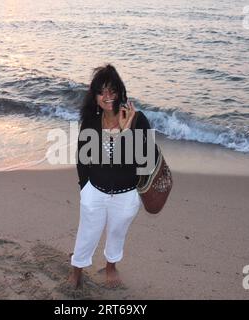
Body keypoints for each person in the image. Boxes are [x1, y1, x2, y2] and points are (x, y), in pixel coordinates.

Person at [69, 64, 158, 289]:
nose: (107, 96)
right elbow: (82, 157)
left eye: (112, 90)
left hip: (126, 194)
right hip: (95, 190)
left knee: (117, 232)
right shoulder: (90, 120)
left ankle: (110, 267)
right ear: (95, 95)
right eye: (101, 91)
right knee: (87, 232)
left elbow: (145, 161)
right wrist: (85, 187)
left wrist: (126, 132)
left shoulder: (138, 120)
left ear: (120, 91)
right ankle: (77, 269)